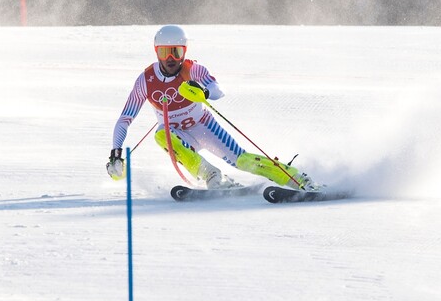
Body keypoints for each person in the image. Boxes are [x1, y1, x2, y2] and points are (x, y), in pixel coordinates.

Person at [106, 25, 315, 190]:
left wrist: (204, 92)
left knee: (242, 161)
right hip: (178, 135)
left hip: (205, 126)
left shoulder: (193, 69)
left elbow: (218, 90)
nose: (170, 59)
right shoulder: (146, 80)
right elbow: (125, 119)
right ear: (156, 52)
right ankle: (212, 176)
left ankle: (294, 177)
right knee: (161, 135)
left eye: (176, 53)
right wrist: (115, 152)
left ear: (184, 52)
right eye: (164, 53)